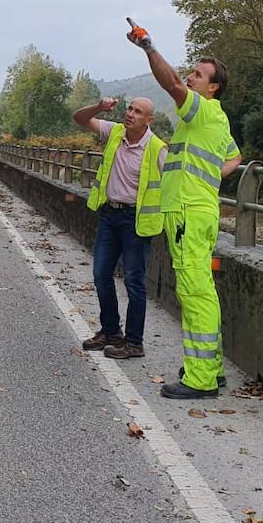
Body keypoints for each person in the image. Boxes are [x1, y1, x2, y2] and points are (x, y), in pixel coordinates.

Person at [125, 19, 241, 399]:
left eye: (198, 74)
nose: (190, 78)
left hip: (189, 214)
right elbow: (234, 157)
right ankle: (213, 368)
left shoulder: (204, 113)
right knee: (201, 289)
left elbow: (171, 85)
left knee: (195, 293)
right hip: (196, 210)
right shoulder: (214, 122)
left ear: (213, 87)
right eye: (191, 71)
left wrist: (148, 47)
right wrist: (208, 179)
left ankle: (201, 379)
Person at [71, 95, 167, 359]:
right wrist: (99, 107)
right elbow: (79, 119)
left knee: (134, 281)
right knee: (101, 274)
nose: (130, 114)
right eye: (129, 109)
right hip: (109, 215)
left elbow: (171, 187)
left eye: (138, 112)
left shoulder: (157, 148)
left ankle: (134, 342)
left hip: (135, 221)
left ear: (149, 120)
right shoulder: (114, 132)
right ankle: (111, 332)